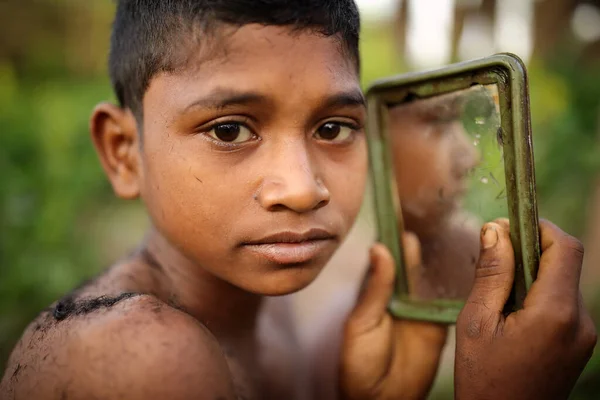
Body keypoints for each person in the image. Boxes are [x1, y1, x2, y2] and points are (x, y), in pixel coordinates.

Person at [0, 1, 595, 399]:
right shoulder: (139, 355)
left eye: (333, 128)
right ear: (124, 153)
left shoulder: (280, 315)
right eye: (230, 129)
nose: (305, 187)